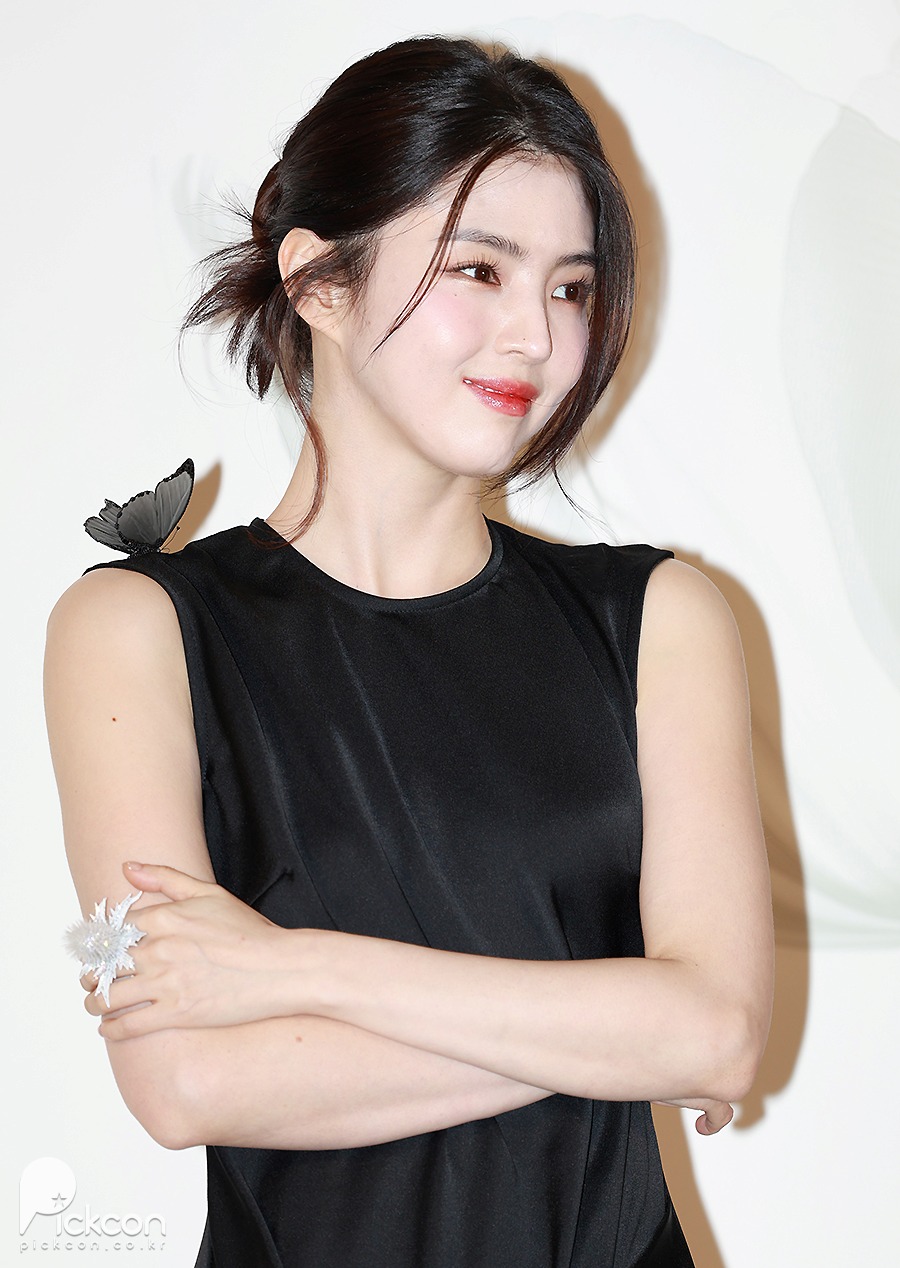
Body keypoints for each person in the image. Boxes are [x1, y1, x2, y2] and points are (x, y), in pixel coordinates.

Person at [44, 34, 774, 1268]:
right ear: (318, 280)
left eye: (570, 288)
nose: (536, 338)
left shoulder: (659, 618)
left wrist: (295, 969)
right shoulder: (137, 625)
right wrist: (620, 1026)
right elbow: (184, 1082)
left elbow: (720, 1033)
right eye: (480, 269)